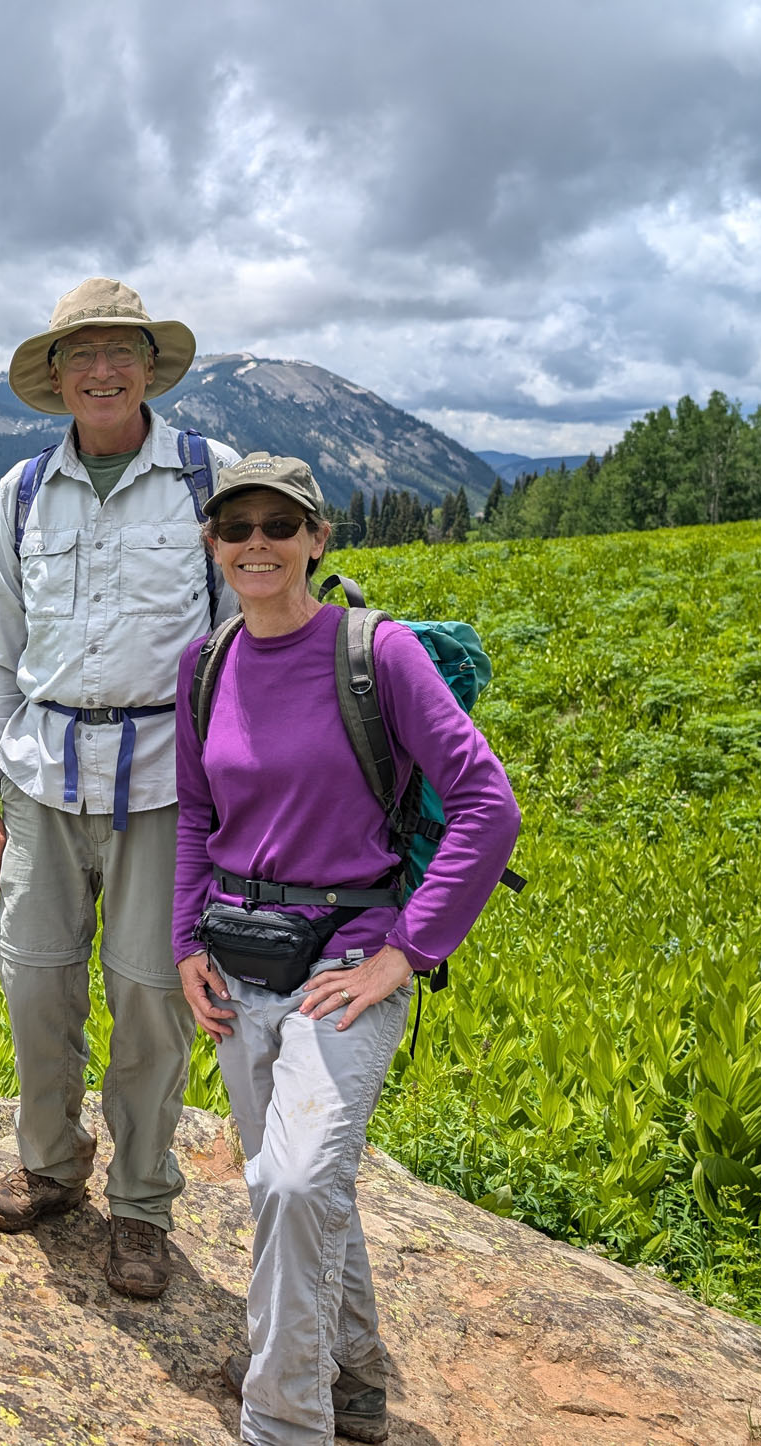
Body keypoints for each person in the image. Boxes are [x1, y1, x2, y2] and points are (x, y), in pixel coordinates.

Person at [171, 453, 521, 1444]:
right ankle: (357, 1380)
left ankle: (282, 1424)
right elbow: (197, 816)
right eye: (235, 527)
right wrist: (183, 940)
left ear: (318, 541)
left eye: (280, 527)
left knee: (289, 1180)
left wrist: (407, 952)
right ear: (213, 545)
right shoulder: (204, 667)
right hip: (237, 960)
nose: (257, 545)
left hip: (347, 961)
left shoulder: (379, 654)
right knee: (299, 1181)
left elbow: (490, 808)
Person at [0, 277, 240, 1299]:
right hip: (41, 775)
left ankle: (141, 1208)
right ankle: (49, 1168)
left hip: (168, 779)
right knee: (35, 978)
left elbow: (238, 641)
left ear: (149, 365)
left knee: (152, 995)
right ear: (58, 376)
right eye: (82, 355)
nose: (103, 370)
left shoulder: (205, 481)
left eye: (121, 350)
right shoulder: (23, 490)